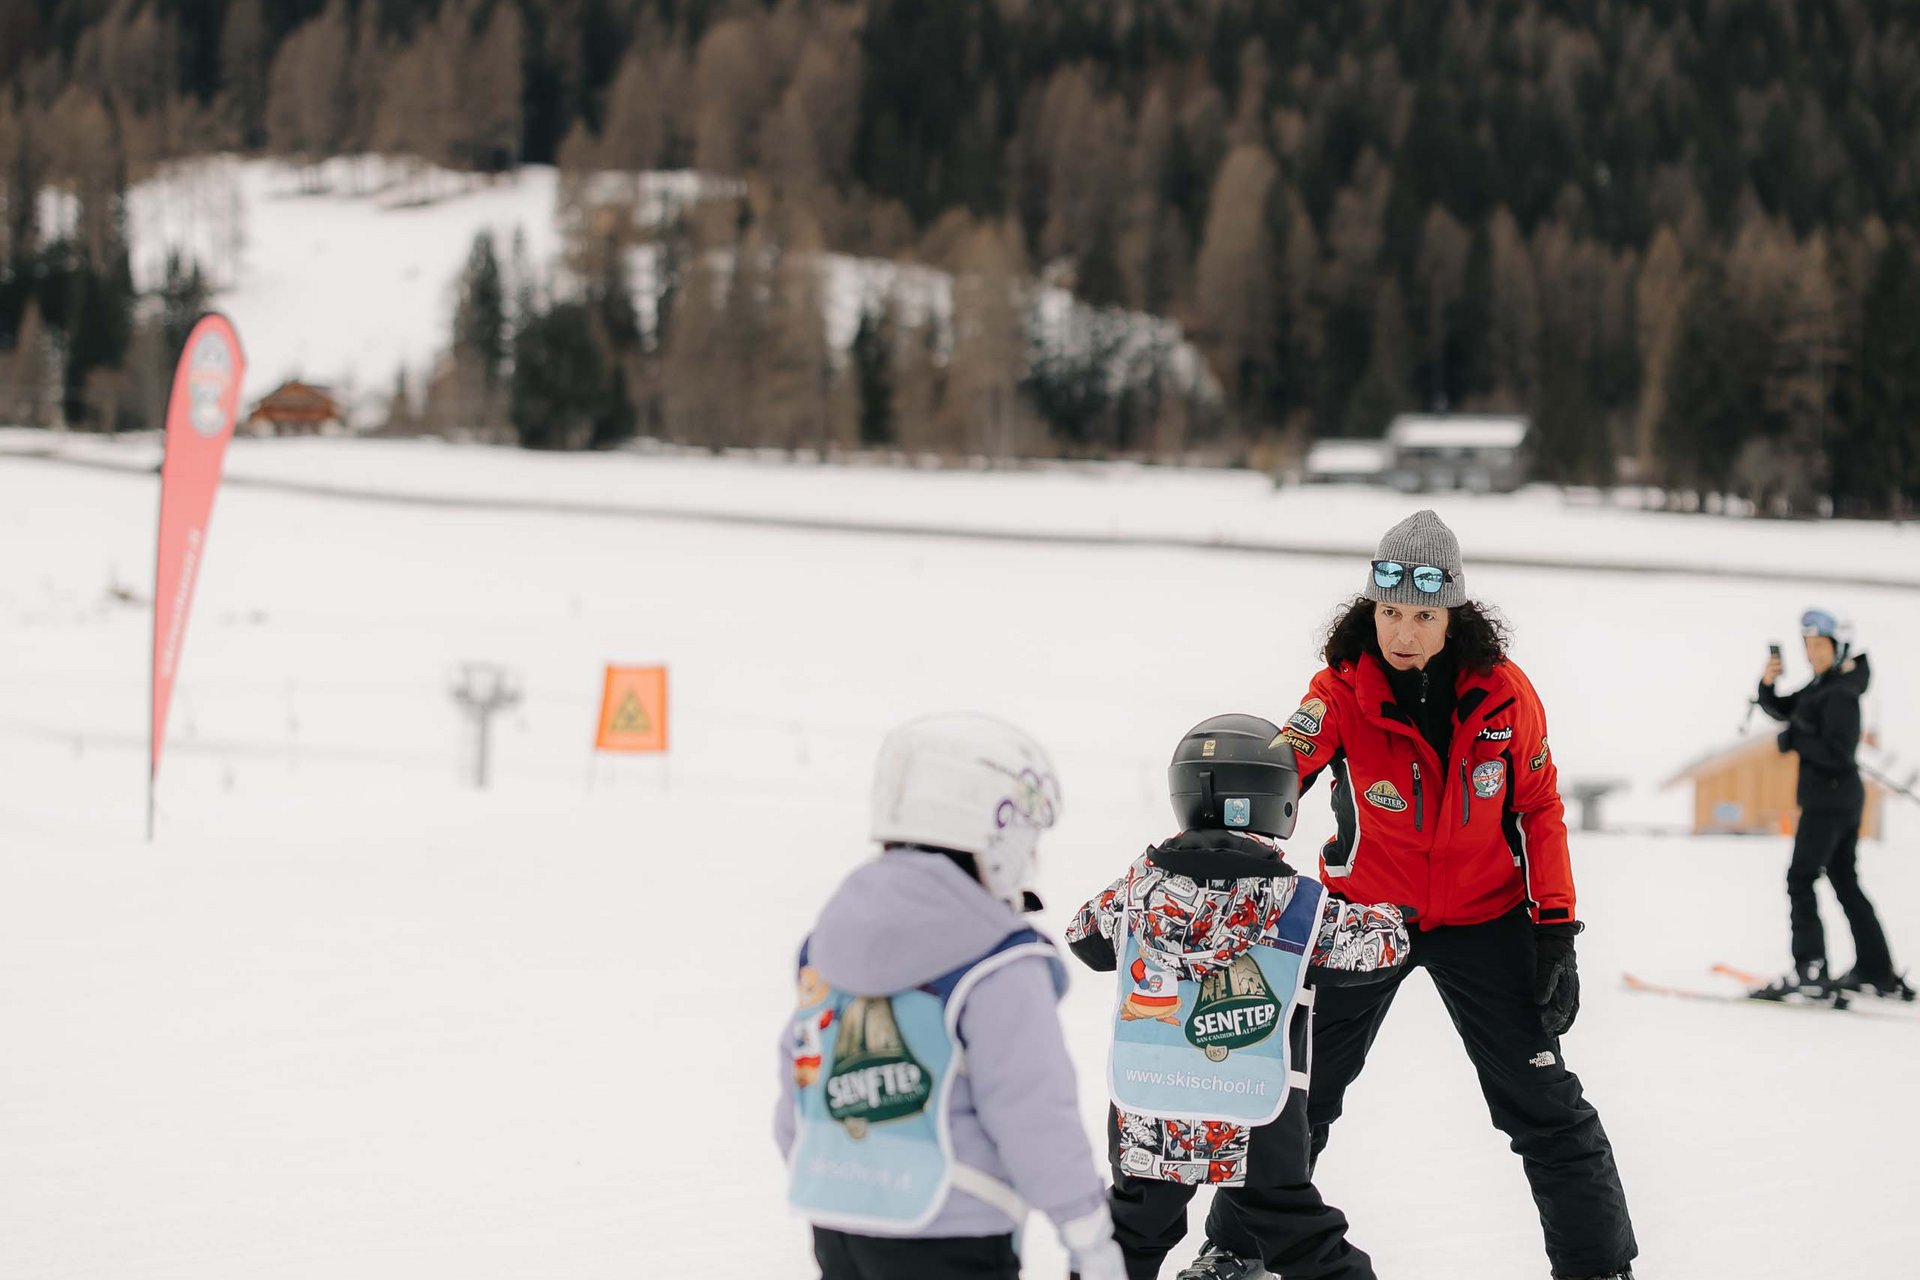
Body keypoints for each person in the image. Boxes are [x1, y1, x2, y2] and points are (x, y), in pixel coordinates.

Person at [1271, 509, 1638, 1280]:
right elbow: (1281, 774)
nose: (1403, 632)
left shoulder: (1506, 696)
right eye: (1390, 611)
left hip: (1484, 918)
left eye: (1424, 615)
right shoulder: (1338, 691)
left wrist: (1556, 933)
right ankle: (1237, 1251)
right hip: (1365, 917)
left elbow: (1538, 810)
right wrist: (1232, 805)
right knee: (1298, 1095)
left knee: (1544, 1106)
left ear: (1454, 614)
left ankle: (1598, 1268)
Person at [776, 713, 1126, 1280]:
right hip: (952, 1230)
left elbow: (799, 1080)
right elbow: (1033, 1110)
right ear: (996, 834)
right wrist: (1086, 1233)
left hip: (836, 1222)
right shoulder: (996, 961)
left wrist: (835, 1177)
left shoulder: (828, 943)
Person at [1065, 714, 1409, 1280]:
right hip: (1252, 1111)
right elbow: (1374, 952)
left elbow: (1086, 937)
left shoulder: (1136, 889)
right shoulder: (1297, 902)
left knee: (1128, 1233)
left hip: (1152, 1101)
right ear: (1279, 799)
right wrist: (1397, 917)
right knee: (1295, 1232)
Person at [1753, 610, 1911, 1000]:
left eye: (1820, 646)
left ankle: (1810, 968)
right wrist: (1767, 686)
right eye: (1808, 646)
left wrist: (1795, 741)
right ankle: (1876, 970)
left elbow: (1839, 751)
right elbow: (1787, 710)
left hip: (1829, 798)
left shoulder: (1840, 692)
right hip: (1838, 798)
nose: (1813, 654)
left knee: (1800, 877)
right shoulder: (1826, 685)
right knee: (1844, 880)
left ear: (1838, 648)